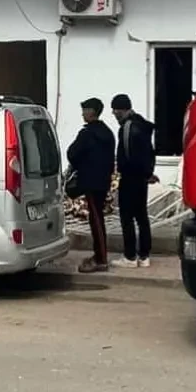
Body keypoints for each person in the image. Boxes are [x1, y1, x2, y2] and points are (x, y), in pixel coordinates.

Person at [66, 97, 116, 274]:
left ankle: (101, 259)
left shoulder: (87, 134)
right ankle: (99, 255)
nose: (82, 114)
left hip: (90, 182)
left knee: (96, 220)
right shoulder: (108, 133)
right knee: (97, 219)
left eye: (84, 110)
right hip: (102, 182)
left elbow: (72, 153)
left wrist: (81, 165)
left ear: (91, 112)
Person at [110, 93, 157, 268]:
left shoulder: (128, 127)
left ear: (123, 109)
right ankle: (144, 256)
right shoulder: (142, 125)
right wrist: (148, 173)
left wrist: (124, 170)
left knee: (127, 217)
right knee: (142, 217)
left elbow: (129, 155)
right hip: (141, 179)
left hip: (130, 178)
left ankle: (130, 256)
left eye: (116, 110)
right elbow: (149, 153)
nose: (114, 114)